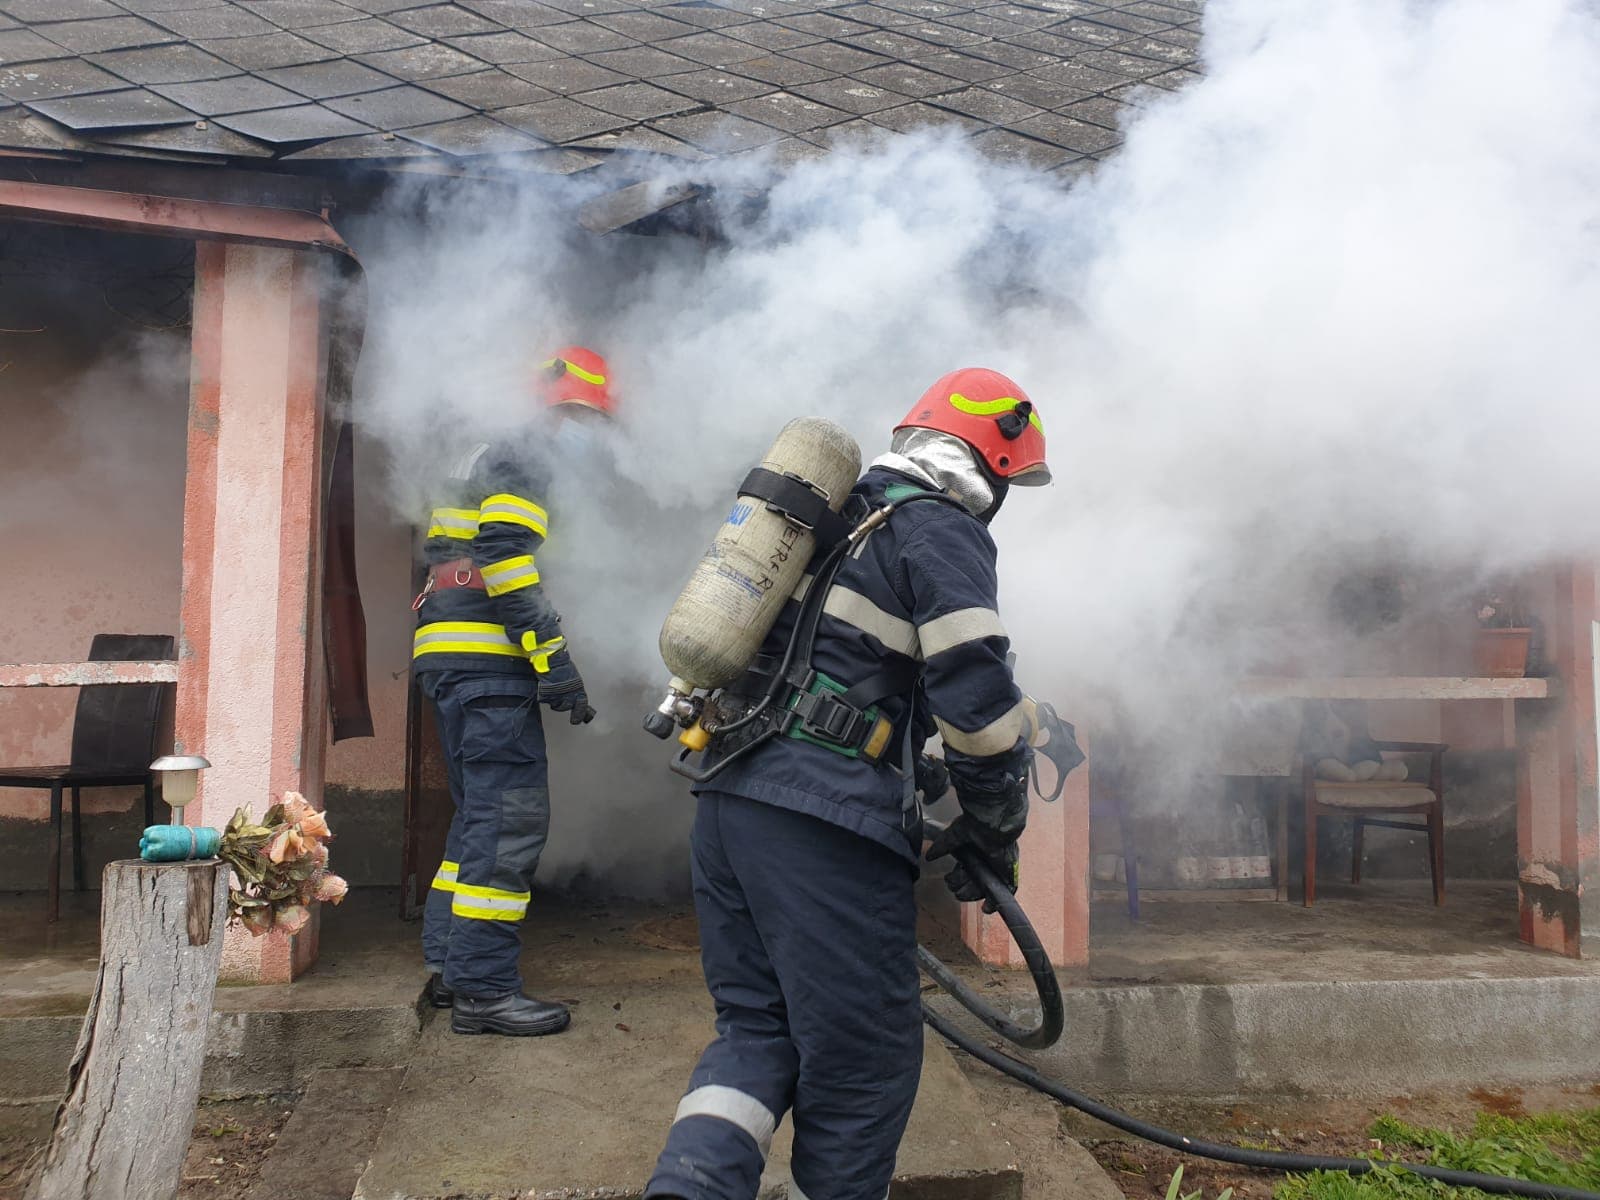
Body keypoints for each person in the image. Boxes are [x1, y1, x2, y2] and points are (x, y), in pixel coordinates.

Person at [646, 368, 1050, 1200]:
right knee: (864, 1067)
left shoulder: (831, 519)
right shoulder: (937, 528)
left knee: (757, 1035)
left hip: (731, 800)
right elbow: (976, 705)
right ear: (992, 467)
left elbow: (839, 678)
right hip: (821, 827)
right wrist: (994, 821)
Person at [414, 347, 614, 1037]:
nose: (588, 435)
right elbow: (504, 556)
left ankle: (450, 964)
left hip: (450, 658)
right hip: (486, 665)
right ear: (564, 412)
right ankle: (485, 992)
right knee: (508, 823)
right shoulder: (528, 451)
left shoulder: (479, 452)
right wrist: (553, 659)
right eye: (586, 420)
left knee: (477, 820)